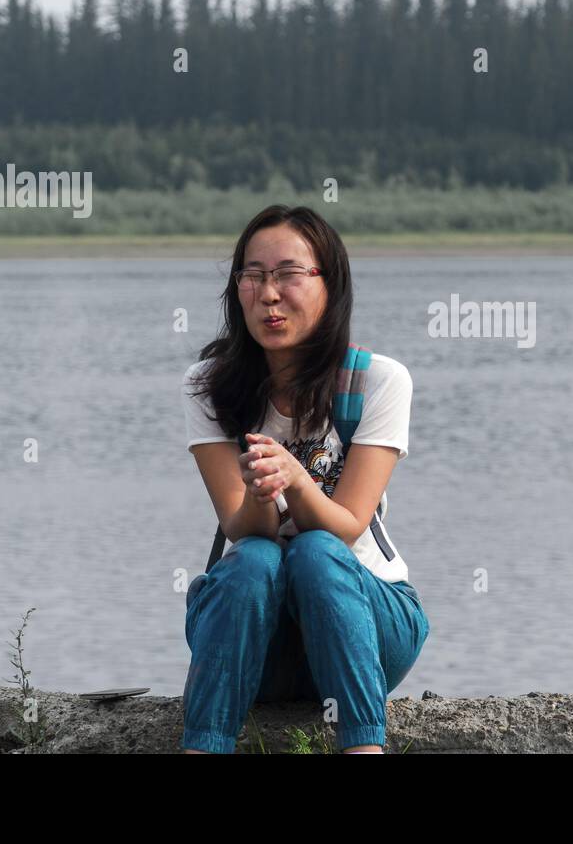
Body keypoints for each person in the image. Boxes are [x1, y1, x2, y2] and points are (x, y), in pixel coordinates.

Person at [179, 204, 428, 754]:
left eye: (289, 275)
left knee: (316, 550)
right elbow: (242, 528)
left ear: (329, 284)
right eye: (253, 275)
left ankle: (364, 748)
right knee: (256, 559)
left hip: (368, 628)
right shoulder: (209, 385)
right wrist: (262, 494)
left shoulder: (376, 381)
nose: (269, 294)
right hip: (254, 641)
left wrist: (296, 478)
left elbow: (348, 524)